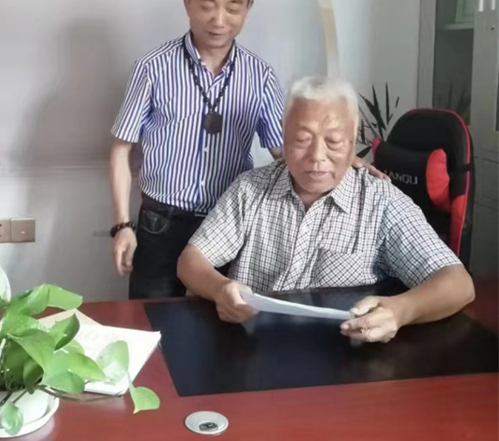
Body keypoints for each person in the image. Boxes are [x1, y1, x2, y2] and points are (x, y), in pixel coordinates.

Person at [110, 0, 380, 298]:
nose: (219, 20)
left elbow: (285, 149)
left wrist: (337, 158)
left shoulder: (259, 75)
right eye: (207, 5)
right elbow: (121, 150)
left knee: (221, 315)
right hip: (161, 221)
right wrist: (122, 225)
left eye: (233, 8)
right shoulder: (152, 68)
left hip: (230, 222)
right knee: (151, 317)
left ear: (248, 9)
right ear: (188, 3)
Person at [177, 76, 475, 343]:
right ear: (283, 137)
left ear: (352, 141)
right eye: (302, 140)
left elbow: (458, 284)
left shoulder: (380, 202)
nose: (317, 156)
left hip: (340, 357)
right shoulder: (250, 189)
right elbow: (191, 261)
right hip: (249, 346)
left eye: (333, 141)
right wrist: (220, 289)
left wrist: (399, 310)